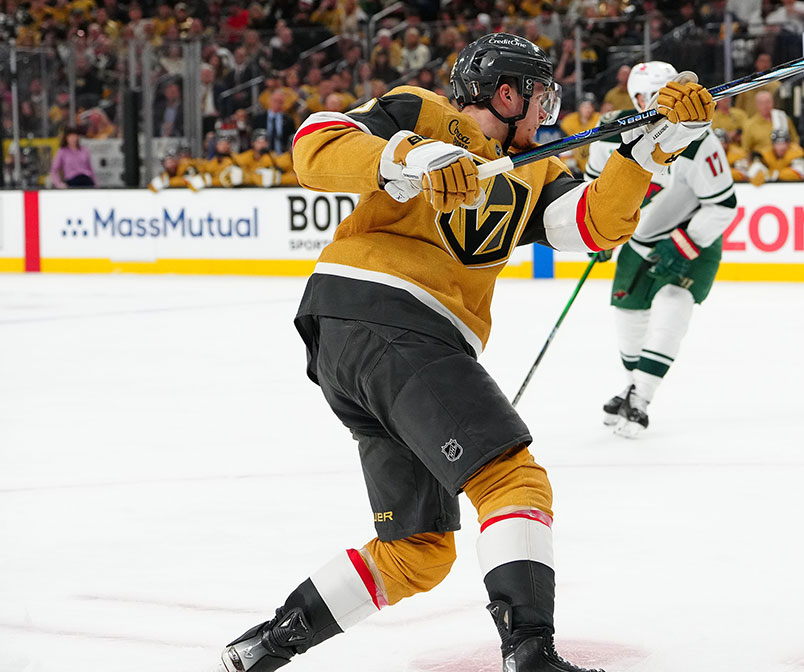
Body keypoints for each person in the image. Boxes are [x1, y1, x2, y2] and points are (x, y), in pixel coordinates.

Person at [217, 33, 714, 672]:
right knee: (512, 480)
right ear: (506, 94)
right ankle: (531, 657)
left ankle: (265, 644)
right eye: (539, 95)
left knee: (418, 551)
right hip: (393, 321)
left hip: (352, 342)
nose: (547, 111)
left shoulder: (536, 170)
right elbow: (314, 144)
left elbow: (592, 226)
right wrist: (409, 157)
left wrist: (651, 150)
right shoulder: (421, 113)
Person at [581, 60, 734, 437]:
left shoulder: (698, 138)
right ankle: (634, 385)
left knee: (672, 303)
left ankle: (641, 398)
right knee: (626, 316)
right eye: (656, 94)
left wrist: (683, 244)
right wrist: (595, 233)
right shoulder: (609, 134)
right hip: (639, 239)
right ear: (637, 99)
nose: (668, 102)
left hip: (691, 242)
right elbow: (592, 191)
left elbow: (723, 206)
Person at [235, 129, 300, 187]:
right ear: (253, 143)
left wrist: (279, 178)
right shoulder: (244, 157)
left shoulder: (273, 158)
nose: (262, 145)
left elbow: (294, 176)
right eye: (259, 142)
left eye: (265, 142)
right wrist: (252, 178)